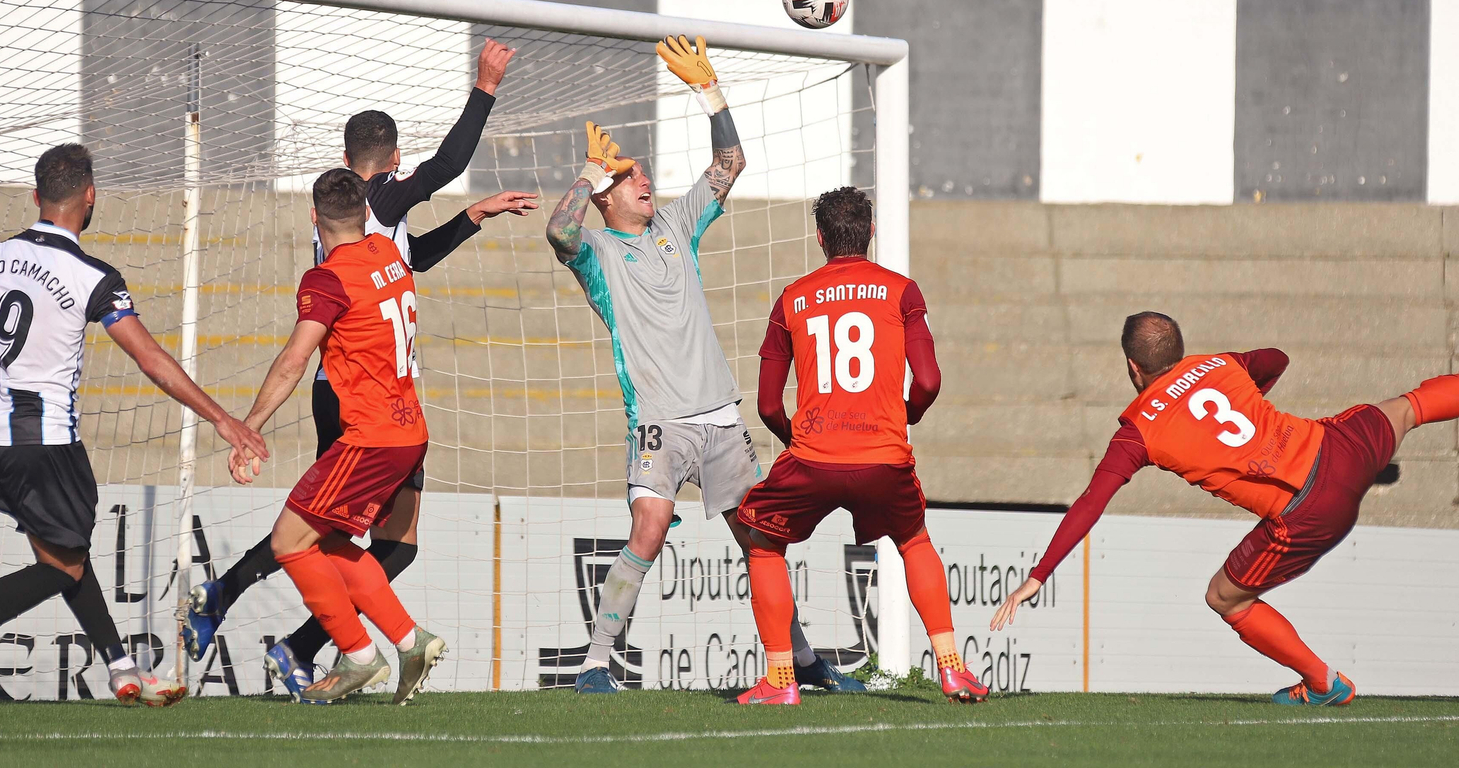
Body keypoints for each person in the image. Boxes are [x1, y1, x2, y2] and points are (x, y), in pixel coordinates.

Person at [183, 40, 535, 699]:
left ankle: (302, 645)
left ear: (346, 161)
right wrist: (485, 86)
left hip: (389, 396)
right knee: (324, 535)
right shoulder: (380, 201)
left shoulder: (364, 222)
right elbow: (450, 163)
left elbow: (412, 260)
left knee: (391, 546)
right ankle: (249, 611)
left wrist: (470, 218)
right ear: (391, 164)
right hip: (352, 397)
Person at [0, 143, 268, 710]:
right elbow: (151, 361)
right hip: (45, 441)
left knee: (64, 554)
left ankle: (121, 670)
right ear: (90, 195)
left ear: (35, 195)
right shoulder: (94, 276)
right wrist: (223, 419)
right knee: (62, 564)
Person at [545, 35, 861, 695]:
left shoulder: (677, 224)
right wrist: (584, 173)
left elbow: (731, 159)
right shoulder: (597, 251)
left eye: (639, 173)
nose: (643, 179)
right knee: (650, 526)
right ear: (607, 194)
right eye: (629, 176)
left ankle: (801, 662)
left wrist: (709, 91)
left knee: (759, 540)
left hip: (720, 417)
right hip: (660, 419)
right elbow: (558, 232)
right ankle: (595, 664)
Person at [991, 311, 1458, 706]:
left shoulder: (1138, 430)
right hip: (1338, 449)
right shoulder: (1216, 364)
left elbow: (1092, 502)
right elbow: (1278, 359)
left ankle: (1322, 683)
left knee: (1224, 597)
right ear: (1179, 349)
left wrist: (1038, 575)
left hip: (1307, 508)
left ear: (1134, 369)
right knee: (1407, 408)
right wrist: (1252, 394)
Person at [734, 187, 989, 705]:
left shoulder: (792, 298)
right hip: (884, 455)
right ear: (871, 232)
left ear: (821, 237)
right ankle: (953, 669)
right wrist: (904, 416)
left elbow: (765, 404)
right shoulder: (901, 291)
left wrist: (797, 439)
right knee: (914, 540)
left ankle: (781, 681)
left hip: (813, 454)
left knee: (762, 542)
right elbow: (930, 381)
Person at [226, 168, 446, 704]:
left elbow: (294, 360)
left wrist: (248, 425)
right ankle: (411, 641)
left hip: (370, 437)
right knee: (328, 542)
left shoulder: (326, 278)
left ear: (313, 216)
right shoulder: (389, 255)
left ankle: (359, 656)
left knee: (288, 542)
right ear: (367, 213)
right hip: (408, 431)